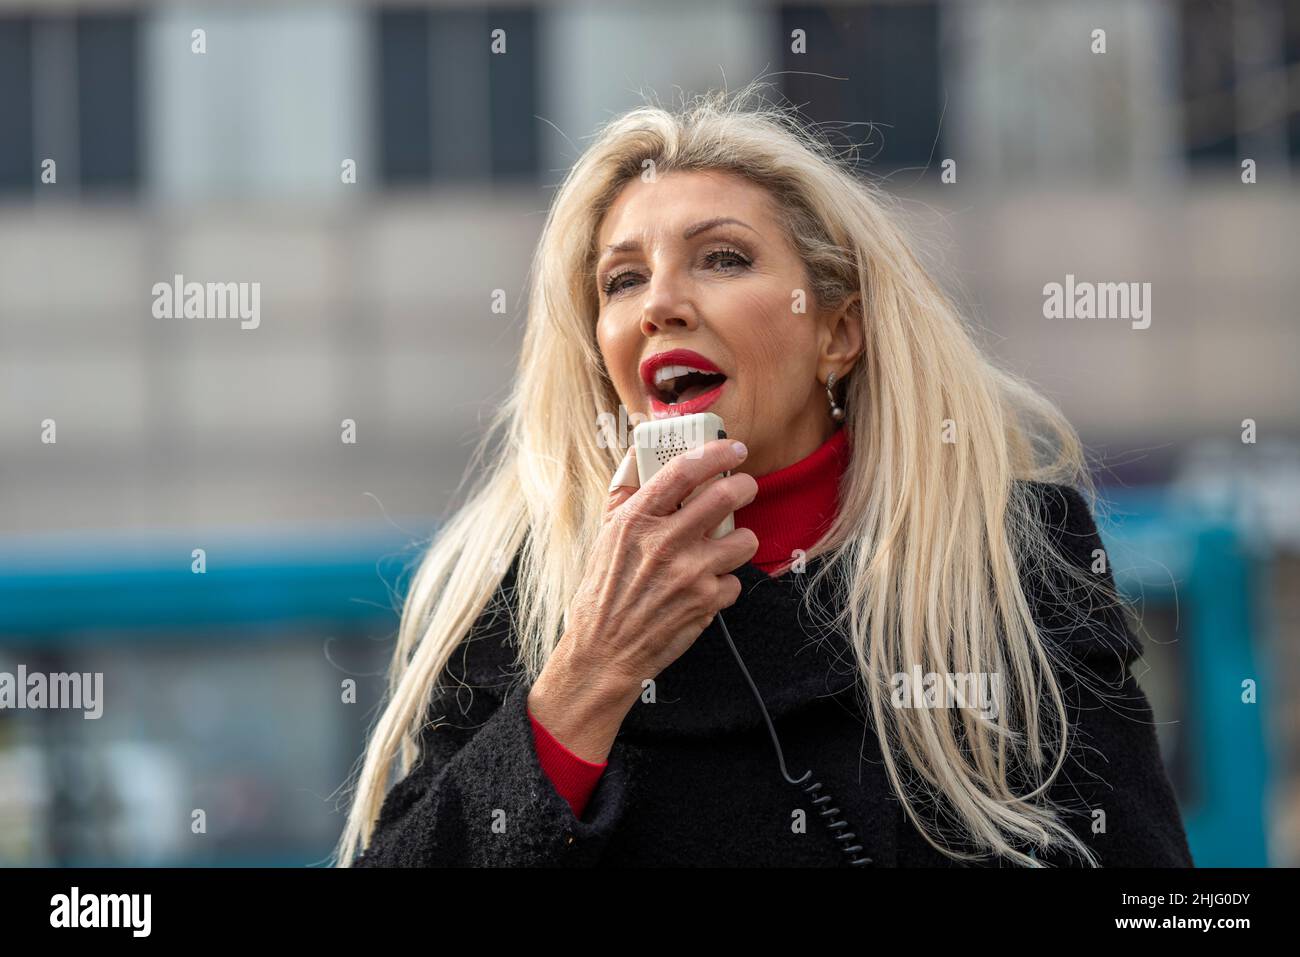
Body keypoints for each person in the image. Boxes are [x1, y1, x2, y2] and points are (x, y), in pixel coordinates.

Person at [335, 83, 1193, 868]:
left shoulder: (1010, 560)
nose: (660, 303)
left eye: (722, 259)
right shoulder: (524, 601)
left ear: (838, 332)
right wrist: (587, 676)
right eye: (622, 279)